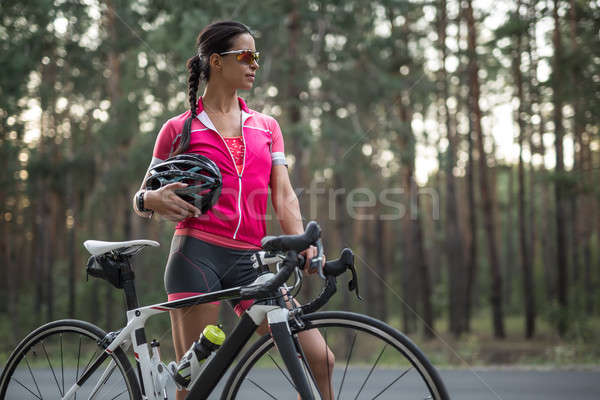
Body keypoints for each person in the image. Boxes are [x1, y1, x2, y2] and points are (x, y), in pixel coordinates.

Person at [133, 21, 334, 399]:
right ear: (216, 62)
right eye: (246, 55)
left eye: (256, 56)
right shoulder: (180, 128)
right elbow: (143, 196)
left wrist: (300, 241)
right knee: (193, 383)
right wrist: (151, 201)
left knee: (319, 357)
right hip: (197, 256)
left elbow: (285, 196)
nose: (255, 64)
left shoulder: (266, 126)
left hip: (251, 260)